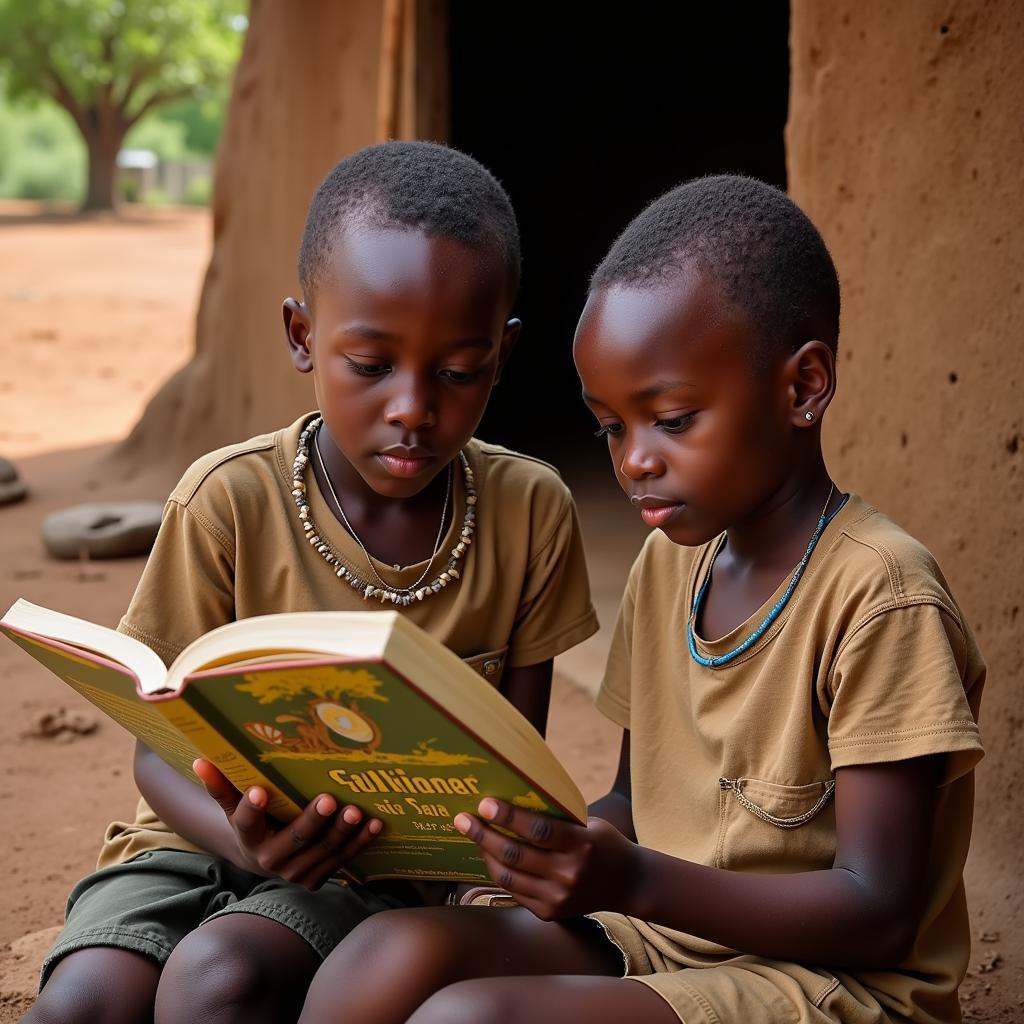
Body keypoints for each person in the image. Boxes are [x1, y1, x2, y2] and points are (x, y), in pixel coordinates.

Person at [298, 175, 986, 1024]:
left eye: (673, 418)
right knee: (393, 950)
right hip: (668, 935)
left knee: (468, 1021)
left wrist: (628, 877)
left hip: (830, 984)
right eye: (612, 427)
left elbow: (878, 916)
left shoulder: (879, 597)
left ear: (803, 386)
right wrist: (544, 852)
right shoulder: (670, 566)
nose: (635, 461)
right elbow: (633, 802)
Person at [26, 141, 599, 1024]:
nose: (413, 405)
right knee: (84, 1004)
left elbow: (511, 765)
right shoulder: (228, 502)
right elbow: (155, 747)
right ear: (303, 336)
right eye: (370, 366)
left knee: (220, 977)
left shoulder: (528, 512)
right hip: (194, 839)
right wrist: (241, 841)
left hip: (385, 875)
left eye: (458, 371)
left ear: (503, 353)